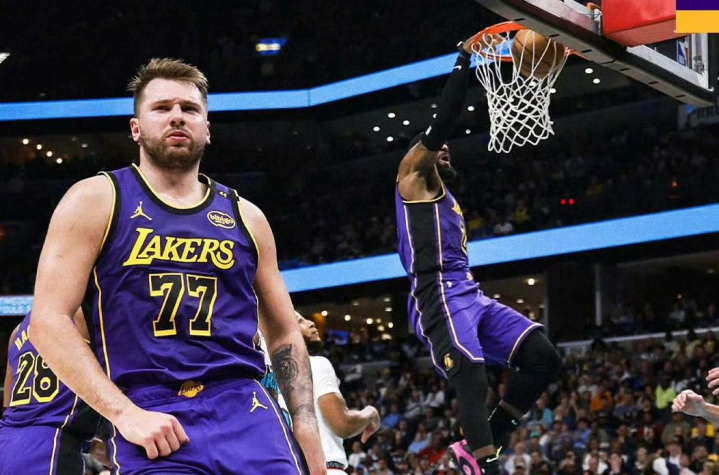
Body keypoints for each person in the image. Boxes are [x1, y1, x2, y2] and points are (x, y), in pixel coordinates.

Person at [29, 58, 325, 475]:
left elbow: (283, 330)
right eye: (161, 107)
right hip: (149, 410)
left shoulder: (247, 216)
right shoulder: (95, 199)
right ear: (136, 128)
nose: (177, 117)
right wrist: (124, 414)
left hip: (245, 407)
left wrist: (306, 425)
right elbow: (47, 320)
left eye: (189, 108)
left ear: (207, 128)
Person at [394, 33, 562, 475]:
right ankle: (485, 465)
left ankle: (485, 440)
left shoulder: (446, 197)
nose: (445, 149)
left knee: (544, 358)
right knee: (470, 371)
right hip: (436, 292)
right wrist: (463, 60)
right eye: (436, 147)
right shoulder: (411, 178)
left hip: (469, 292)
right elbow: (444, 121)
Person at [1, 309, 102, 474]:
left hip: (7, 442)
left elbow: (8, 405)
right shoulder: (83, 313)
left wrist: (89, 444)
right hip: (49, 445)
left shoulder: (17, 332)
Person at [296, 312, 380, 474]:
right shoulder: (317, 364)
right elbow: (342, 425)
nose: (311, 322)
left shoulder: (266, 379)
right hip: (326, 468)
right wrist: (371, 413)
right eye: (300, 321)